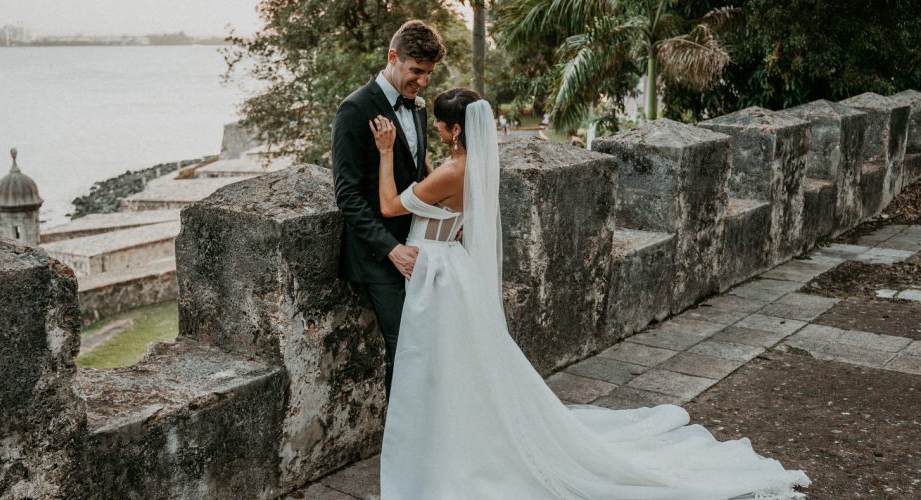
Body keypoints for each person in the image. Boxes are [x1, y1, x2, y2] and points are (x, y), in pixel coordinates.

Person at [368, 87, 811, 499]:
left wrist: (387, 153)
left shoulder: (452, 170)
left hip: (436, 272)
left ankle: (447, 445)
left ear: (456, 130)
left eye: (442, 126)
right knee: (461, 366)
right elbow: (438, 197)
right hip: (452, 265)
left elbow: (390, 205)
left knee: (435, 363)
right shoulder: (473, 168)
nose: (439, 131)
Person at [331, 20, 445, 399]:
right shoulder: (354, 108)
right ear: (393, 57)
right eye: (416, 71)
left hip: (419, 244)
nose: (423, 82)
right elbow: (347, 196)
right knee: (406, 348)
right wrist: (391, 249)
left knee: (428, 342)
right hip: (378, 255)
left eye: (429, 74)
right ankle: (403, 443)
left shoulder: (418, 107)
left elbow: (417, 168)